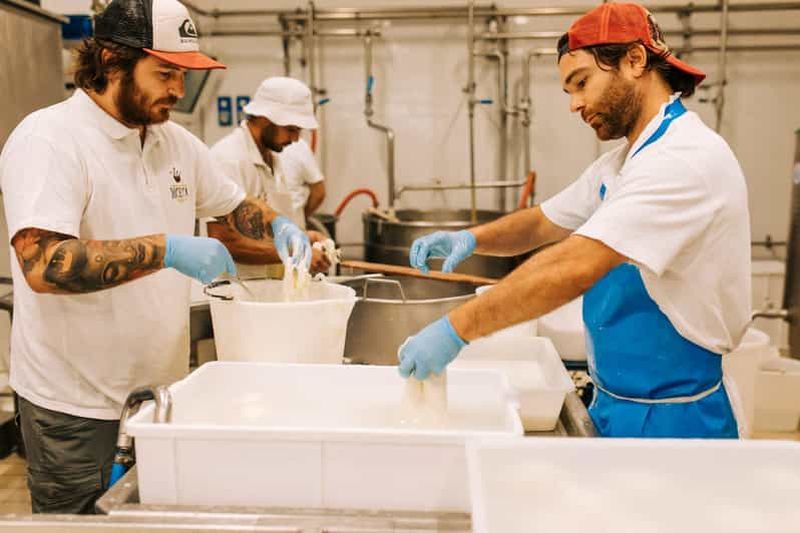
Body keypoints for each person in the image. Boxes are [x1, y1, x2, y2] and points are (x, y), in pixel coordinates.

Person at [0, 0, 309, 513]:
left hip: (160, 397)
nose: (177, 90)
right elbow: (44, 264)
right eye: (164, 73)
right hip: (76, 407)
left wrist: (278, 225)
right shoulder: (50, 139)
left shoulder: (175, 142)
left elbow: (233, 205)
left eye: (182, 74)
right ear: (111, 62)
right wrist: (166, 249)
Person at [400, 2, 751, 439]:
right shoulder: (623, 162)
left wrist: (456, 329)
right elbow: (542, 223)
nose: (574, 104)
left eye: (581, 83)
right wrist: (469, 239)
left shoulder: (683, 159)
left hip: (676, 422)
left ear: (635, 60)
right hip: (617, 405)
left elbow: (574, 266)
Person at [208, 77, 330, 277]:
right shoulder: (228, 159)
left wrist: (303, 237)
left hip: (270, 290)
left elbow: (269, 228)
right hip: (239, 293)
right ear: (265, 118)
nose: (295, 139)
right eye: (291, 129)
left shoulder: (273, 158)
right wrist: (293, 250)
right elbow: (224, 241)